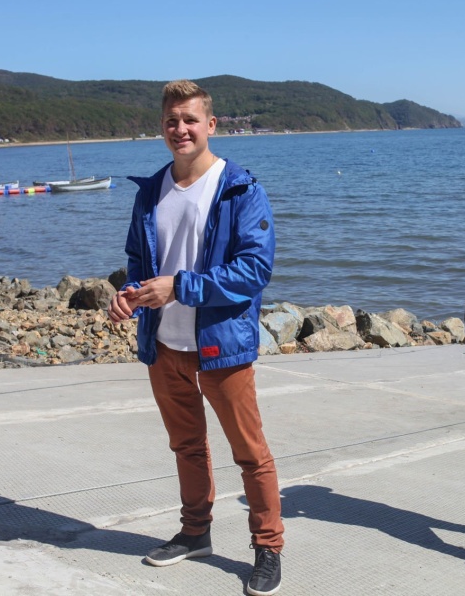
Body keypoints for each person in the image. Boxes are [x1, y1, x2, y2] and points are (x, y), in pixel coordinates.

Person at [107, 79, 283, 596]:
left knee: (250, 452)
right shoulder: (150, 191)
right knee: (186, 446)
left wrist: (180, 287)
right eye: (171, 121)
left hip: (221, 345)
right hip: (164, 344)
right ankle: (194, 533)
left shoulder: (240, 188)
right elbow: (139, 262)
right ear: (161, 127)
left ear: (210, 124)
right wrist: (130, 292)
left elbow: (254, 271)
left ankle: (268, 546)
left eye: (189, 120)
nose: (180, 129)